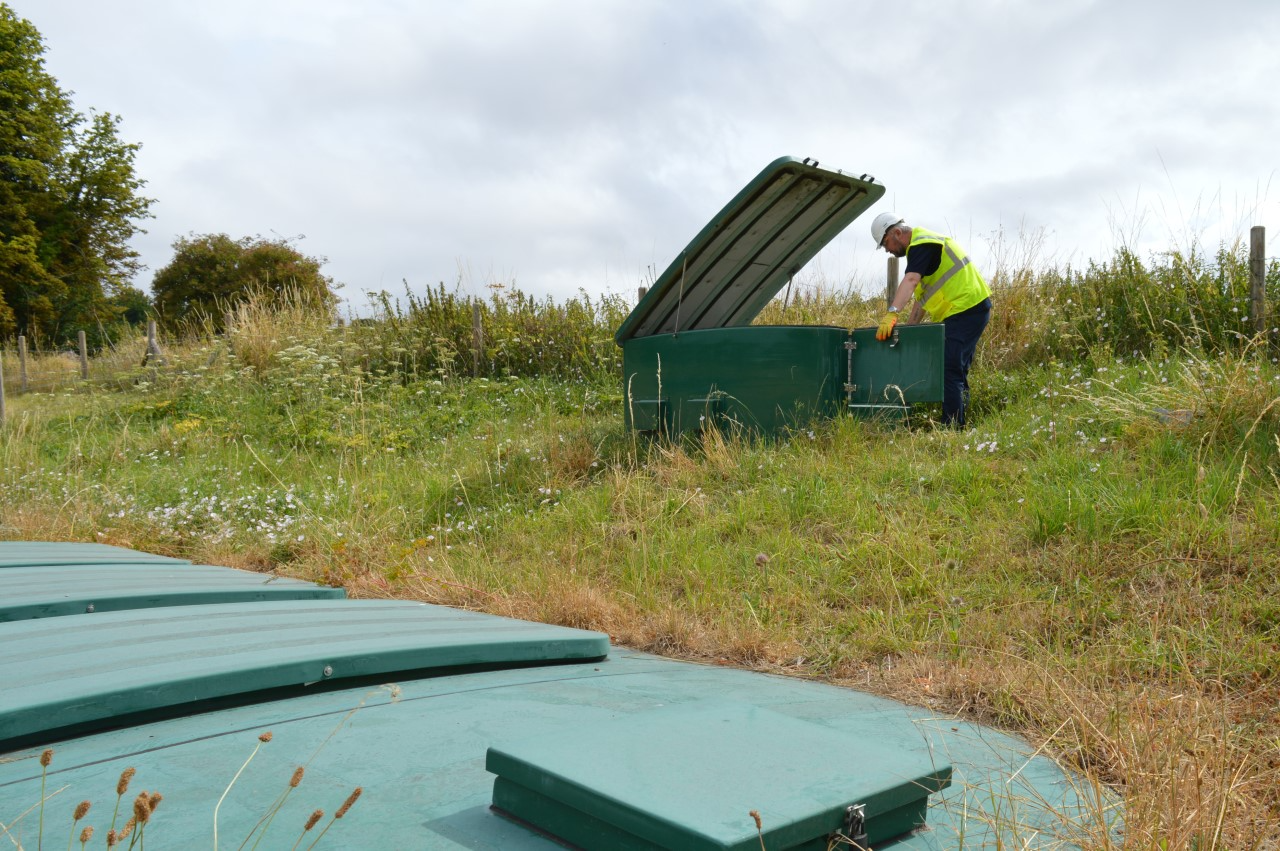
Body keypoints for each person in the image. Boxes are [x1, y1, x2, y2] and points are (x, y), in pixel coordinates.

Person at [869, 213, 992, 429]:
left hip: (966, 308)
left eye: (885, 243)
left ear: (897, 233)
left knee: (949, 369)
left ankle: (952, 429)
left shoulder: (922, 244)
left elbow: (911, 280)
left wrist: (892, 313)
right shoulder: (921, 252)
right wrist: (907, 333)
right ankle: (960, 423)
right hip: (966, 310)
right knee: (957, 369)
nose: (887, 249)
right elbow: (920, 301)